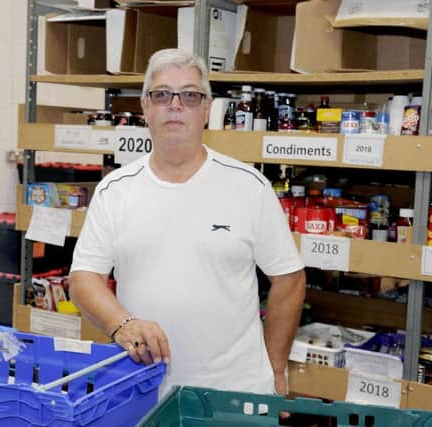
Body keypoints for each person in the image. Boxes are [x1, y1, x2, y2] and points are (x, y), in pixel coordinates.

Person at [69, 48, 305, 396]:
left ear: (207, 109)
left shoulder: (247, 186)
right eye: (161, 94)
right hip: (144, 390)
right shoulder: (115, 190)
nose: (175, 105)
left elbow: (289, 279)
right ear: (145, 108)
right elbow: (83, 279)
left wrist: (275, 369)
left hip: (234, 395)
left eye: (190, 96)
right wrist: (123, 324)